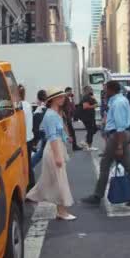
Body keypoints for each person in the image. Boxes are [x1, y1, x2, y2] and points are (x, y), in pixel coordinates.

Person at [81, 81, 130, 207]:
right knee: (129, 167)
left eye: (105, 89)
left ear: (111, 90)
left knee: (105, 165)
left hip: (117, 137)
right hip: (119, 136)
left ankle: (97, 196)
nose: (104, 92)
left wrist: (120, 146)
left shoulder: (118, 103)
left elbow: (120, 127)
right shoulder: (119, 100)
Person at [26, 88, 77, 221]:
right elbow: (52, 136)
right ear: (52, 99)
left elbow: (59, 133)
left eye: (63, 97)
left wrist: (66, 139)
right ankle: (62, 211)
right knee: (59, 181)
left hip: (57, 146)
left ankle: (32, 196)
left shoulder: (55, 113)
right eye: (59, 97)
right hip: (54, 148)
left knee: (49, 180)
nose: (63, 99)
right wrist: (58, 155)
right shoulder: (50, 115)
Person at [18, 85, 36, 191]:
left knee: (25, 165)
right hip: (29, 137)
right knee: (28, 163)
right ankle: (31, 185)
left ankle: (29, 187)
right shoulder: (27, 104)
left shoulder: (20, 106)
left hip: (23, 139)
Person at [80, 85, 99, 151]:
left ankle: (86, 142)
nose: (92, 90)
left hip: (90, 116)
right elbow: (85, 106)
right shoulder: (86, 97)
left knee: (93, 129)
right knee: (91, 130)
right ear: (87, 90)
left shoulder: (90, 97)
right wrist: (95, 105)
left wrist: (94, 100)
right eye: (90, 89)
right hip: (87, 117)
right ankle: (89, 145)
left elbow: (95, 103)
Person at [63, 87, 83, 151]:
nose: (71, 92)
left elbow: (72, 107)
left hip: (68, 117)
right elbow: (66, 108)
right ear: (67, 91)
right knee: (70, 132)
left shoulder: (70, 98)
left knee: (71, 132)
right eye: (70, 91)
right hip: (66, 118)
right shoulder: (65, 98)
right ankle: (74, 146)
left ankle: (74, 146)